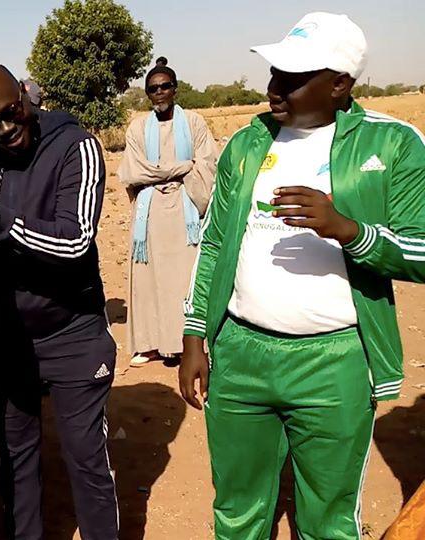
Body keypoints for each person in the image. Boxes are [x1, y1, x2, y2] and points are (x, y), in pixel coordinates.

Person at [179, 12, 425, 539]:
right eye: (274, 73)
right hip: (241, 354)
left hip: (334, 362)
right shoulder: (247, 145)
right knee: (238, 513)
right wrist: (196, 332)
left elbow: (422, 250)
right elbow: (216, 241)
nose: (274, 88)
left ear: (340, 85)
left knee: (329, 522)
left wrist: (349, 231)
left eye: (293, 77)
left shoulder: (393, 145)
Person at [0, 63, 117, 540]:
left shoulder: (77, 147)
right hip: (4, 339)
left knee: (87, 461)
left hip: (71, 332)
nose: (6, 129)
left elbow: (73, 244)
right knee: (15, 457)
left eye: (12, 112)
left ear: (26, 98)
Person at [117, 57, 219, 367]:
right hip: (150, 215)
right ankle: (151, 344)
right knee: (149, 280)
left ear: (174, 89)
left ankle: (186, 343)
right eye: (152, 89)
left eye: (165, 87)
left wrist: (170, 172)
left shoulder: (194, 123)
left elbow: (207, 165)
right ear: (148, 94)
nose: (159, 93)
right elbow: (133, 171)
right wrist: (181, 167)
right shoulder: (137, 128)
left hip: (185, 209)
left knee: (184, 278)